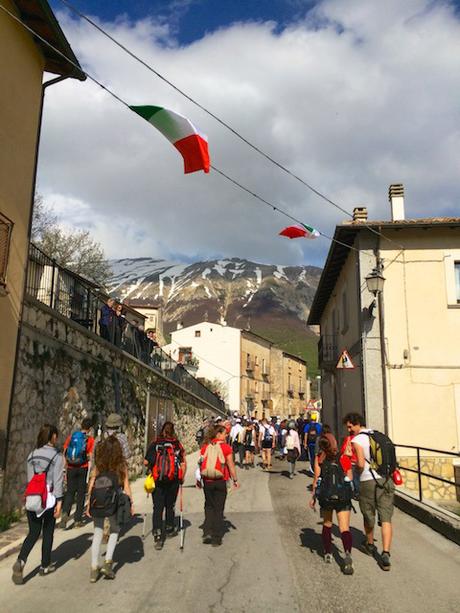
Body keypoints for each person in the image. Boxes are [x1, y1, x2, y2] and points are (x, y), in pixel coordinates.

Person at [12, 424, 64, 584]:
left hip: (33, 497)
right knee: (48, 532)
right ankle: (45, 565)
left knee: (33, 532)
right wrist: (60, 502)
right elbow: (58, 481)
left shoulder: (32, 455)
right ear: (53, 437)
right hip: (48, 499)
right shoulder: (57, 456)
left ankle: (21, 561)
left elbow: (30, 480)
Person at [344, 412, 395, 571]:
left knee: (368, 512)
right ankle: (386, 553)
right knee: (386, 517)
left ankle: (370, 544)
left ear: (357, 423)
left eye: (350, 426)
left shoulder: (357, 440)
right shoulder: (378, 435)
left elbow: (359, 464)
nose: (349, 430)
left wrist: (353, 465)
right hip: (386, 480)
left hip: (368, 480)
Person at [86, 435, 133, 582]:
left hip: (98, 501)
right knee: (114, 530)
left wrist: (89, 503)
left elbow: (92, 483)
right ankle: (108, 563)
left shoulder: (100, 464)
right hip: (114, 503)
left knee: (98, 532)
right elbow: (126, 486)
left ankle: (94, 569)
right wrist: (130, 503)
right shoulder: (121, 464)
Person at [309, 434, 354, 575]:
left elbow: (317, 478)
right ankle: (347, 554)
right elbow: (350, 477)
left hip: (326, 497)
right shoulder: (343, 457)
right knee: (344, 528)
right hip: (342, 497)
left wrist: (313, 497)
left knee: (327, 524)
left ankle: (328, 552)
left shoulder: (320, 458)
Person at [144, 421, 186, 550]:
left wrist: (153, 467)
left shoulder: (155, 444)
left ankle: (157, 533)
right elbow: (183, 462)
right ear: (173, 431)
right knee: (170, 505)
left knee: (157, 507)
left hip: (158, 480)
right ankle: (169, 528)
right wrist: (182, 477)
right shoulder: (176, 445)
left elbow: (146, 462)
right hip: (172, 480)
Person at [198, 424, 239, 546]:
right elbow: (231, 465)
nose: (226, 435)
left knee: (209, 506)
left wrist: (198, 479)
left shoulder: (205, 447)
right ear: (218, 434)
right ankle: (216, 538)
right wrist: (235, 479)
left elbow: (200, 463)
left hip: (207, 480)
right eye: (225, 433)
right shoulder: (226, 448)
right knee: (218, 508)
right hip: (220, 481)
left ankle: (207, 531)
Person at [61, 417, 95, 529]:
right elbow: (90, 456)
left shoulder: (72, 437)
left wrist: (66, 466)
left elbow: (65, 451)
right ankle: (77, 520)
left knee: (70, 492)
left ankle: (65, 514)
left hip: (71, 468)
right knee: (81, 494)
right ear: (89, 428)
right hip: (82, 468)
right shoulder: (89, 440)